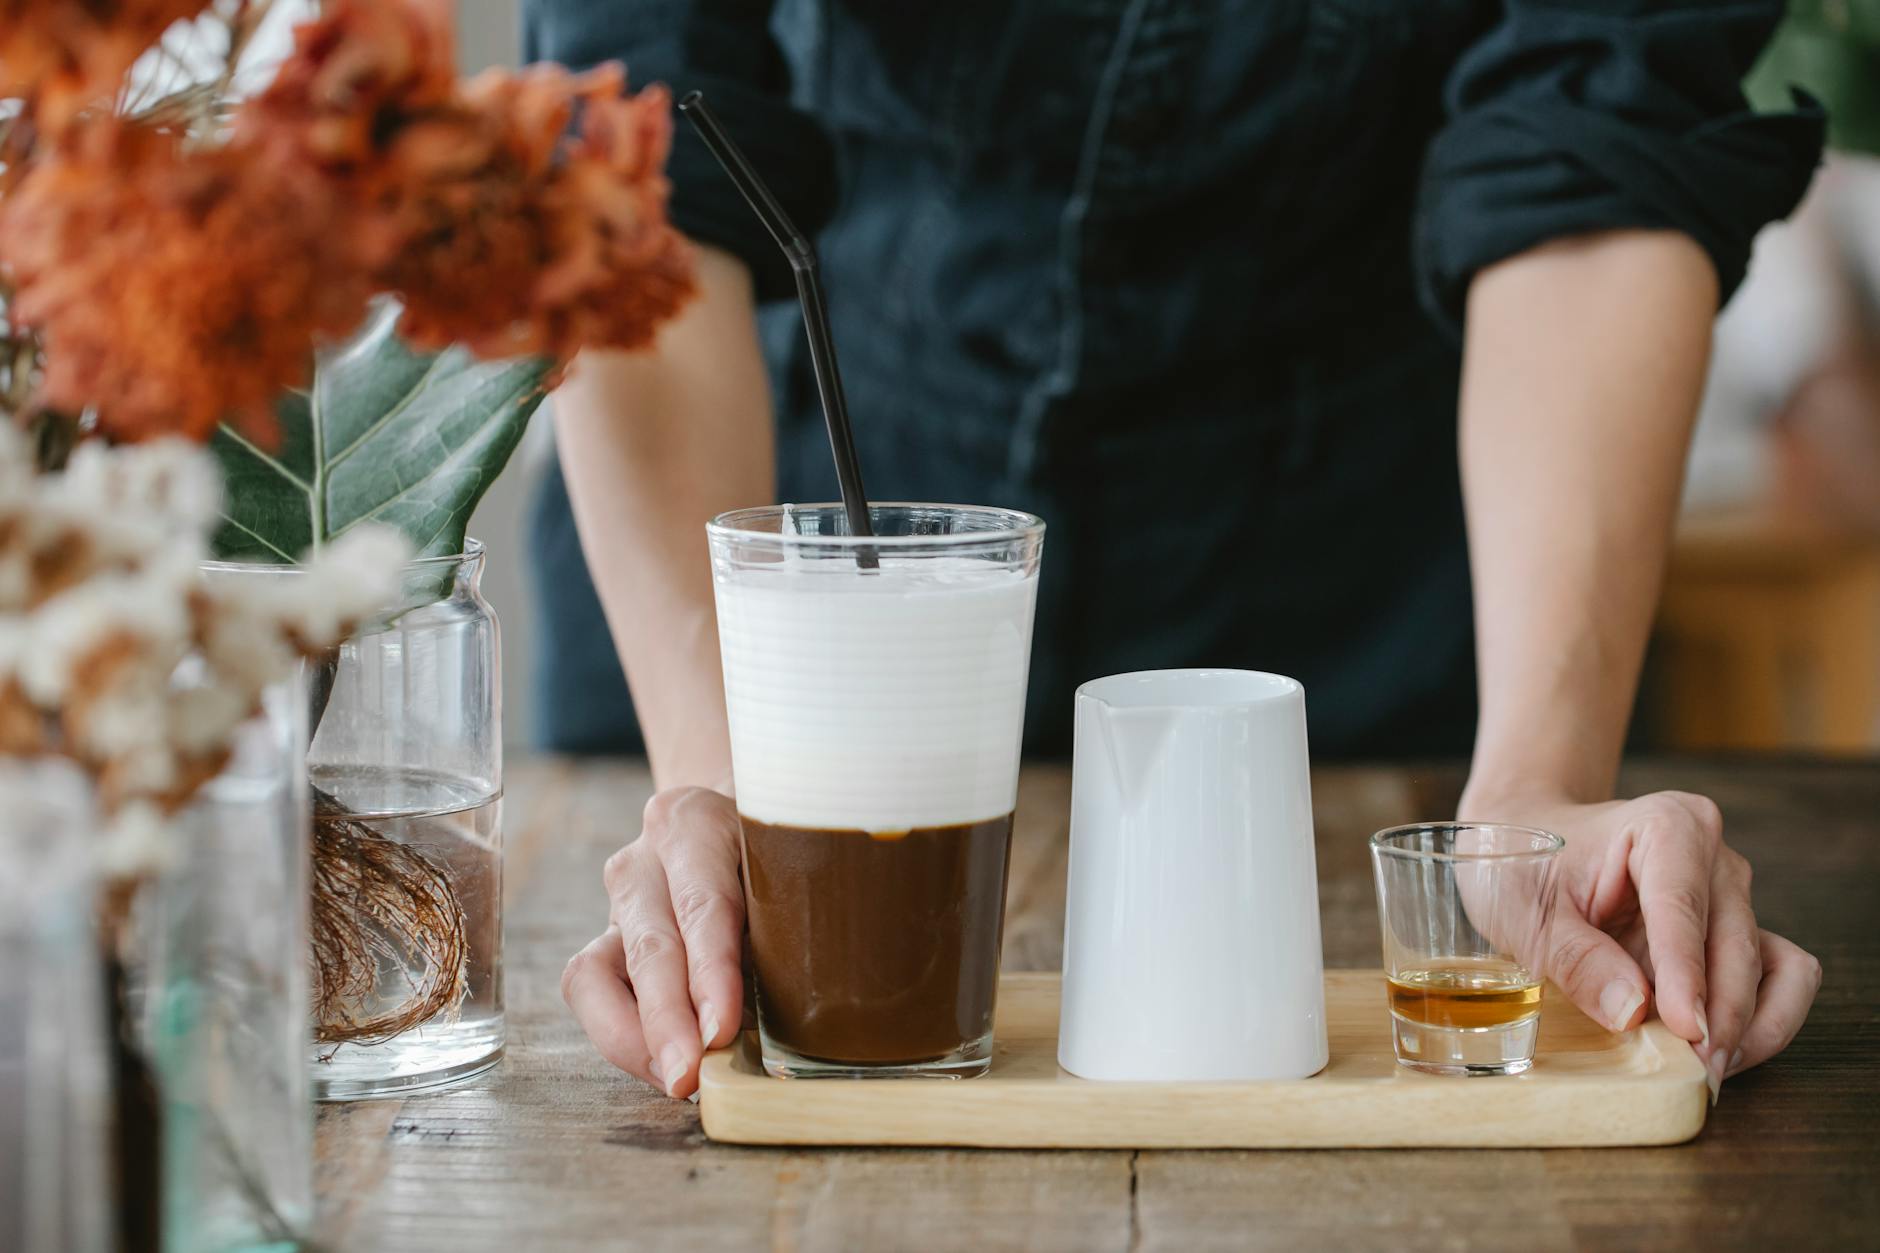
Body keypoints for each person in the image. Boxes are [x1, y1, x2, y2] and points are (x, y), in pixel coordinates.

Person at [525, 0, 1827, 1101]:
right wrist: (734, 791)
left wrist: (1536, 786)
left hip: (1380, 546)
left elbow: (1596, 124)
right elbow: (634, 153)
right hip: (805, 543)